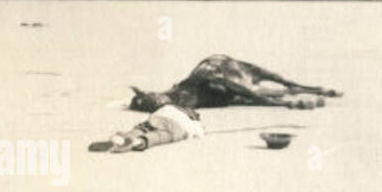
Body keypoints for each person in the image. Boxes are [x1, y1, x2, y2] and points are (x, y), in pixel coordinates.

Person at [129, 54, 341, 112]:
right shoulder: (181, 103)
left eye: (156, 97)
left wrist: (281, 104)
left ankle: (311, 90)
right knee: (256, 94)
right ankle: (305, 93)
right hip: (228, 85)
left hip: (226, 68)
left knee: (278, 82)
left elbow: (237, 88)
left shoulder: (189, 86)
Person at [89, 103, 203, 153]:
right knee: (160, 136)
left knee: (144, 127)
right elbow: (198, 134)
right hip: (178, 126)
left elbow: (162, 109)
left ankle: (123, 137)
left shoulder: (172, 107)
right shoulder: (195, 122)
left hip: (161, 115)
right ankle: (138, 142)